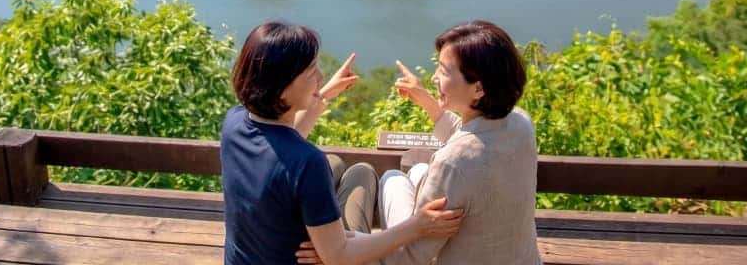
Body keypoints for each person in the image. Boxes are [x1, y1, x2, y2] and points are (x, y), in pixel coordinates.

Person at [221, 21, 464, 265]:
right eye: (311, 72)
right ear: (281, 88)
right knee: (362, 173)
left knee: (337, 164)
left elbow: (283, 147)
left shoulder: (235, 122)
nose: (320, 76)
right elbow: (339, 257)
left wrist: (322, 94)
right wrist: (416, 226)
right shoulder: (308, 162)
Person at [375, 20, 541, 265]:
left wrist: (352, 244)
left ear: (478, 89)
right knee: (420, 170)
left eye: (443, 71)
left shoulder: (452, 162)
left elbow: (411, 256)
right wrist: (426, 101)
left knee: (393, 179)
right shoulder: (520, 123)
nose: (434, 77)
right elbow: (476, 139)